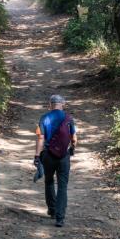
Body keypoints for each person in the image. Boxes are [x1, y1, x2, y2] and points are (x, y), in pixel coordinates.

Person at [34, 94, 77, 227]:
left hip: (48, 155)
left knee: (49, 181)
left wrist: (37, 155)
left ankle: (52, 210)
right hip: (64, 156)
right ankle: (60, 218)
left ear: (50, 104)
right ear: (63, 104)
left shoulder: (44, 117)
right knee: (63, 186)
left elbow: (41, 138)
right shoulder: (69, 118)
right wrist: (72, 149)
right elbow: (74, 138)